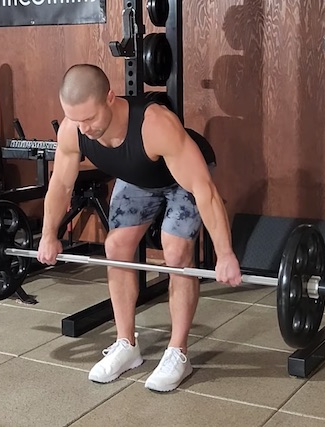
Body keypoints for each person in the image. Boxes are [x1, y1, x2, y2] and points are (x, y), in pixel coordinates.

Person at [36, 64, 242, 392]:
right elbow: (60, 184)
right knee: (116, 248)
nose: (84, 128)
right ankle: (126, 345)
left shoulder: (155, 124)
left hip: (181, 176)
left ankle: (178, 352)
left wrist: (225, 253)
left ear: (109, 97)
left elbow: (204, 190)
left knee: (174, 250)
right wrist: (49, 234)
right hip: (139, 178)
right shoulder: (72, 130)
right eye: (76, 119)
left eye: (89, 118)